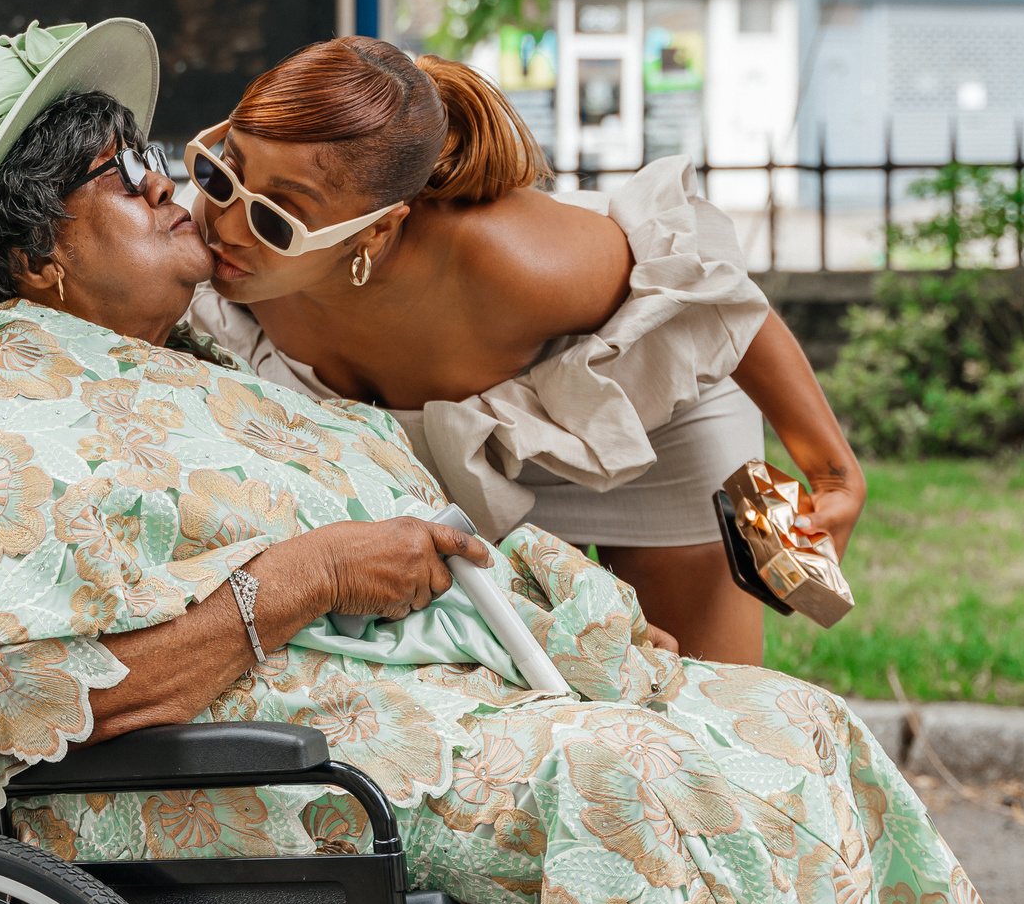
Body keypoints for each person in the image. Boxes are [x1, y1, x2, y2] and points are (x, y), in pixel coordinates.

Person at [0, 20, 1024, 904]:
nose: (179, 187)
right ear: (37, 257)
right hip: (258, 774)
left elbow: (693, 304)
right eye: (129, 178)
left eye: (163, 157)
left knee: (791, 731)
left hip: (429, 708)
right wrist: (317, 573)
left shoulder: (211, 356)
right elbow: (26, 702)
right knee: (630, 778)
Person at [182, 39, 862, 665]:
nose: (226, 225)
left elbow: (718, 297)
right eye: (221, 172)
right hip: (466, 459)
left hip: (646, 421)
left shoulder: (519, 264)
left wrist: (833, 475)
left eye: (278, 216)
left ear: (380, 230)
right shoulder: (224, 252)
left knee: (708, 699)